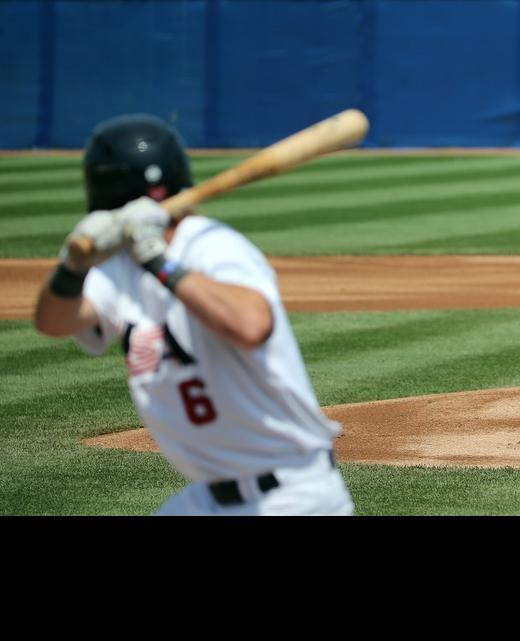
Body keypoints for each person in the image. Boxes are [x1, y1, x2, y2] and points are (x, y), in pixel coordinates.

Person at [33, 114, 354, 514]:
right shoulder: (119, 268)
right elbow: (53, 321)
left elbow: (250, 324)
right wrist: (72, 266)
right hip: (209, 499)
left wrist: (158, 261)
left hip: (290, 497)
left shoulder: (213, 247)